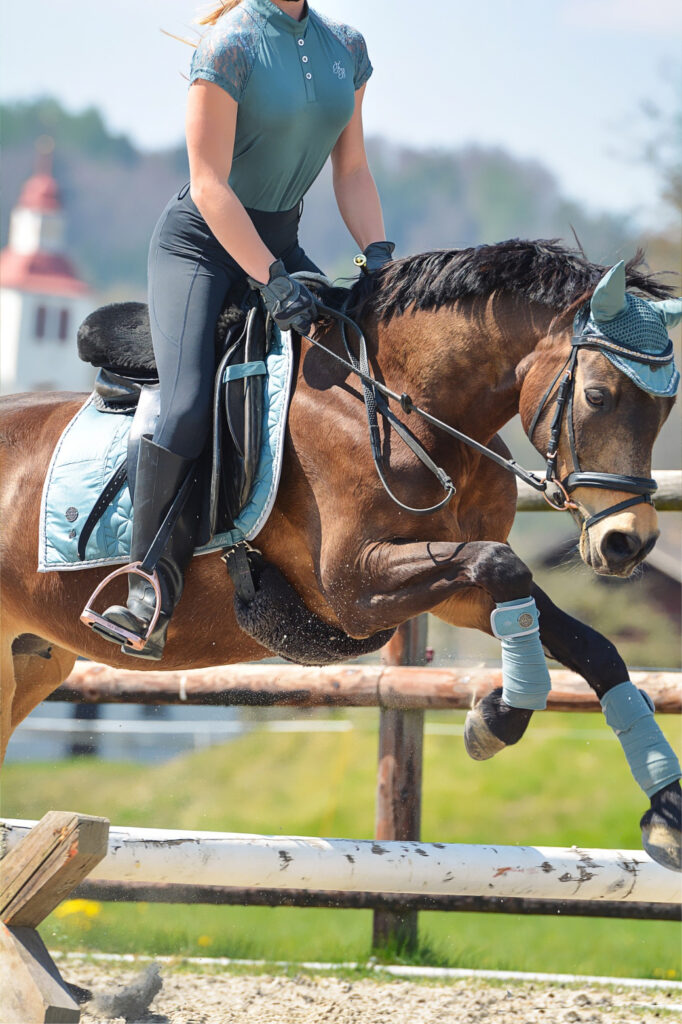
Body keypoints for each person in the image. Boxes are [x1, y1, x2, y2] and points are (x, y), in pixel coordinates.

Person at [92, 0, 394, 660]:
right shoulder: (229, 44)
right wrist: (268, 278)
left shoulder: (347, 47)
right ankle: (146, 587)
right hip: (201, 247)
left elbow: (352, 169)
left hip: (280, 245)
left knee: (364, 376)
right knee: (187, 404)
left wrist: (378, 256)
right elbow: (208, 184)